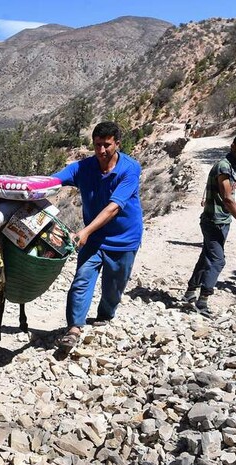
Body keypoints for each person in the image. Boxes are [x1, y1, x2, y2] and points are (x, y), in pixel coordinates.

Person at [53, 121, 144, 351]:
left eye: (107, 145)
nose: (101, 151)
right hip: (94, 239)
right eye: (97, 145)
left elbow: (114, 207)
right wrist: (23, 187)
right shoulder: (83, 168)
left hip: (124, 238)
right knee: (81, 280)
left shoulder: (130, 169)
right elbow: (53, 180)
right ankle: (74, 328)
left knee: (114, 287)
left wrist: (84, 231)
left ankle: (105, 314)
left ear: (117, 144)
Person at [183, 133, 236, 314]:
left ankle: (190, 292)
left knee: (207, 256)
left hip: (221, 221)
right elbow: (228, 199)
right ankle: (203, 300)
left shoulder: (233, 167)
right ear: (233, 146)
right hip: (213, 221)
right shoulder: (224, 167)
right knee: (218, 260)